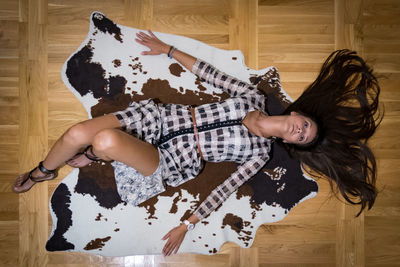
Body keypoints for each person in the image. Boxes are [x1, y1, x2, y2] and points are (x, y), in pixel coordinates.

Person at [12, 30, 382, 256]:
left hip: (171, 158)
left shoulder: (260, 153)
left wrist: (186, 224)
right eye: (306, 125)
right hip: (161, 118)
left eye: (304, 138)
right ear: (300, 115)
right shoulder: (250, 95)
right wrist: (167, 49)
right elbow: (210, 73)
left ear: (296, 143)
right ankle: (43, 172)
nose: (301, 131)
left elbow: (223, 189)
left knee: (105, 140)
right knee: (76, 132)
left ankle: (96, 154)